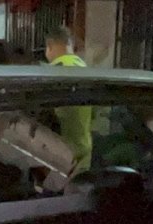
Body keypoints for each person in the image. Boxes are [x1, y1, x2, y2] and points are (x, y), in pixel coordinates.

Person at [44, 26, 93, 173]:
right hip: (84, 152)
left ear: (50, 46)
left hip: (59, 155)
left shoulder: (51, 72)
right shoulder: (86, 69)